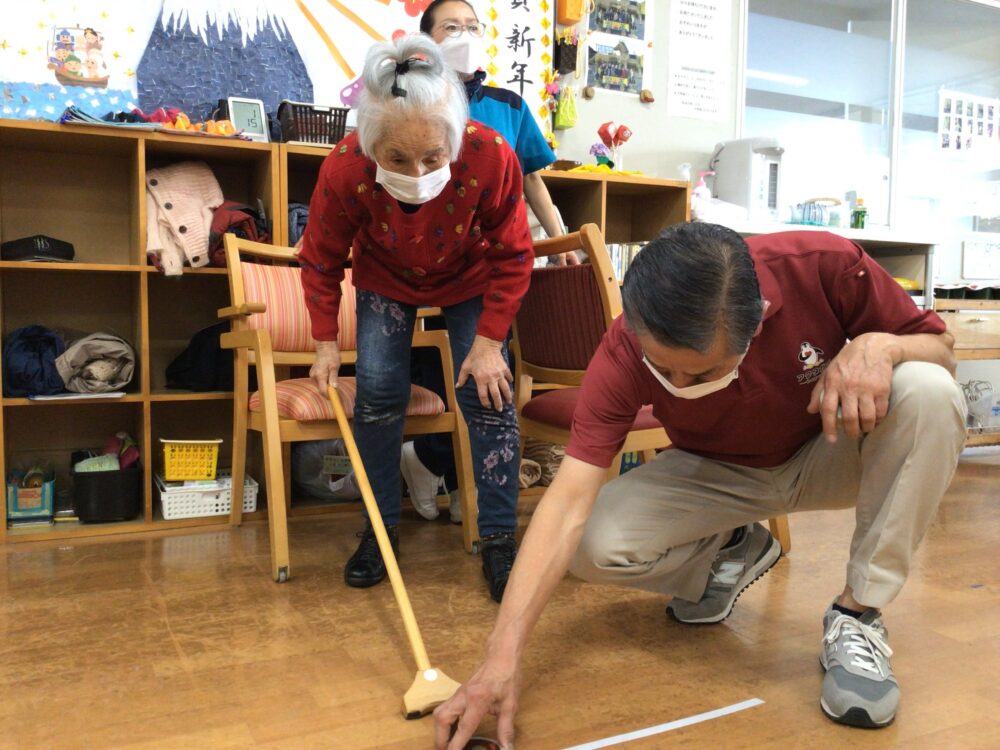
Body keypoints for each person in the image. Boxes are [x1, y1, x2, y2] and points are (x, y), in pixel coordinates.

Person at [433, 223, 967, 748]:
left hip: (827, 449)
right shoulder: (623, 348)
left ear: (757, 323)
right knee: (593, 541)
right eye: (665, 369)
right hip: (716, 471)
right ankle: (732, 548)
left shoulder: (823, 264)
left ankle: (858, 613)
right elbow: (568, 500)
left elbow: (942, 348)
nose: (680, 385)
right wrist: (498, 659)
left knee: (928, 390)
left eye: (702, 371)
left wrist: (882, 347)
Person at [298, 34, 532, 601]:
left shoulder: (490, 153)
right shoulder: (345, 167)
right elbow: (321, 258)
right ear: (370, 143)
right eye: (397, 159)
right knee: (379, 392)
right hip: (385, 276)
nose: (418, 171)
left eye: (433, 157)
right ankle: (380, 532)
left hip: (470, 273)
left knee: (487, 392)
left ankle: (500, 539)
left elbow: (515, 253)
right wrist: (325, 342)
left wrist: (489, 343)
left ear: (454, 138)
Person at [401, 0, 578, 525]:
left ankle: (463, 486)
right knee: (430, 371)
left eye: (474, 27)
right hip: (420, 258)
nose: (465, 35)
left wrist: (558, 233)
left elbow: (530, 177)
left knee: (485, 378)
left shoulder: (507, 104)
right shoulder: (408, 99)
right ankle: (433, 462)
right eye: (452, 27)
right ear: (426, 41)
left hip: (489, 264)